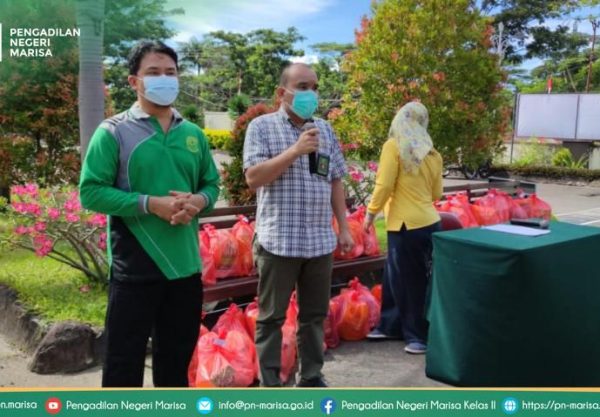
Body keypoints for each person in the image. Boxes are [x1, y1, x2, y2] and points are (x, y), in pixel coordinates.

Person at [79, 41, 220, 387]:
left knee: (176, 366)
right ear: (134, 81)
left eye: (170, 72)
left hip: (185, 267)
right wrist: (150, 203)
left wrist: (197, 201)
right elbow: (91, 191)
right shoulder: (113, 132)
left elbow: (211, 185)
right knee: (123, 367)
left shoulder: (193, 134)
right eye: (153, 72)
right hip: (135, 266)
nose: (164, 79)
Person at [243, 63, 353, 387]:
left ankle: (311, 377)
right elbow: (253, 178)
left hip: (319, 242)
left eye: (315, 87)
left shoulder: (325, 130)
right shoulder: (262, 127)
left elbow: (335, 179)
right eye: (303, 87)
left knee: (314, 316)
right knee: (271, 318)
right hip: (279, 242)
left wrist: (344, 227)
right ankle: (271, 385)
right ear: (282, 92)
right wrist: (295, 150)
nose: (311, 94)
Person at [363, 101, 442, 354]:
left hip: (407, 225)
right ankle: (390, 325)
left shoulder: (394, 146)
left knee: (410, 281)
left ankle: (418, 336)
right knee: (394, 277)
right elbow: (436, 193)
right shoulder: (432, 153)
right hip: (428, 222)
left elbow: (384, 184)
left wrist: (370, 214)